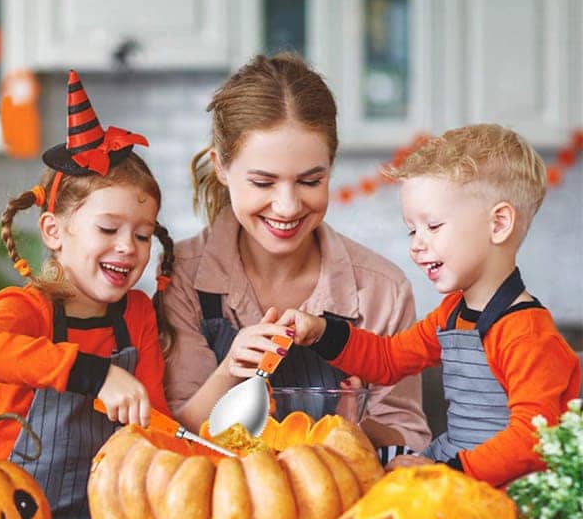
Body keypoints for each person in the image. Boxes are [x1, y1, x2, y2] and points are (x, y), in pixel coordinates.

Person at [162, 53, 430, 461]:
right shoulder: (182, 277)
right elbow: (172, 438)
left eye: (310, 180)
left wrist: (353, 425)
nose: (287, 207)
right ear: (221, 167)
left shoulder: (380, 290)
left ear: (330, 168)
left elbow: (411, 442)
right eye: (262, 182)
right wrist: (231, 369)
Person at [282, 123, 581, 482]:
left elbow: (531, 440)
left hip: (508, 500)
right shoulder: (452, 315)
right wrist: (321, 333)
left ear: (499, 224)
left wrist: (443, 472)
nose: (416, 244)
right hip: (456, 466)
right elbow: (388, 359)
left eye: (433, 226)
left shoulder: (527, 334)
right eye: (413, 230)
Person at [0, 71, 173, 519]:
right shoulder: (28, 308)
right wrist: (94, 375)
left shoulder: (135, 313)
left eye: (142, 235)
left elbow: (152, 414)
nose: (128, 247)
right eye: (108, 229)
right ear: (55, 232)